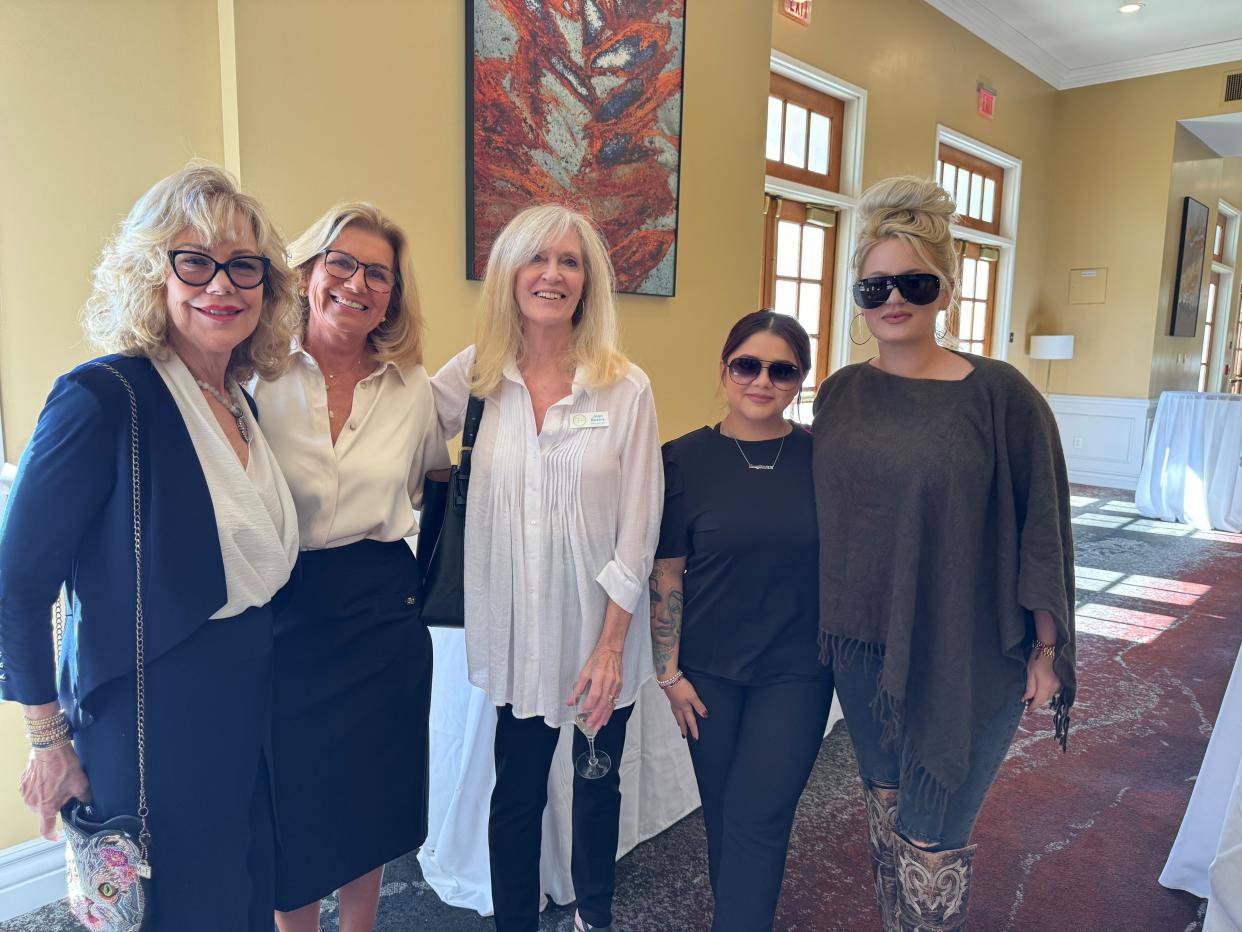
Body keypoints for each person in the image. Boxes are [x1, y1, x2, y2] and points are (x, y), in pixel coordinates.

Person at [0, 163, 300, 930]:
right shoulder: (103, 397)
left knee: (239, 890)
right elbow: (17, 586)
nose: (220, 285)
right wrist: (47, 740)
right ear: (151, 274)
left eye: (243, 266)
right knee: (178, 909)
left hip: (246, 697)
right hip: (155, 712)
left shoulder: (236, 399)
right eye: (193, 260)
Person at [812, 176, 1076, 931]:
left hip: (969, 651)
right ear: (858, 298)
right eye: (876, 286)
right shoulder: (838, 394)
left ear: (946, 290)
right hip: (863, 649)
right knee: (886, 817)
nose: (894, 299)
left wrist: (1047, 648)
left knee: (933, 835)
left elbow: (1043, 525)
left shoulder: (1001, 394)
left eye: (915, 283)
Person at [431, 204, 661, 932]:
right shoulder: (474, 378)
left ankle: (595, 916)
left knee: (596, 786)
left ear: (587, 283)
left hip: (601, 639)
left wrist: (611, 646)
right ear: (509, 273)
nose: (552, 274)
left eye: (569, 262)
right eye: (538, 258)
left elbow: (640, 524)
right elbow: (393, 434)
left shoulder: (624, 388)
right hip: (518, 636)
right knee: (518, 792)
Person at [252, 203, 449, 932]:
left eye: (378, 274)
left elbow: (433, 483)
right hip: (283, 610)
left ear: (393, 296)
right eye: (341, 263)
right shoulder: (255, 373)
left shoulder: (413, 388)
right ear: (308, 273)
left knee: (373, 798)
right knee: (291, 805)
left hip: (381, 611)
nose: (356, 284)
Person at [649, 310, 833, 931]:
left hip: (798, 673)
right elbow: (668, 572)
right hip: (708, 675)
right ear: (724, 370)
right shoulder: (681, 460)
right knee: (727, 815)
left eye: (782, 370)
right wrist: (668, 673)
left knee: (759, 817)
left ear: (801, 379)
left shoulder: (825, 458)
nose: (763, 381)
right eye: (747, 365)